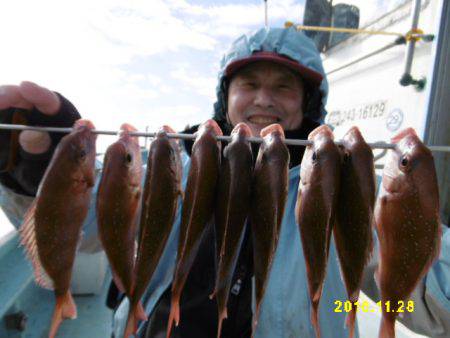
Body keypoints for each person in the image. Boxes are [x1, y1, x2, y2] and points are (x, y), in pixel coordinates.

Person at [0, 26, 449, 338]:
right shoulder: (177, 164)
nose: (263, 99)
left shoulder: (352, 188)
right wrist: (39, 174)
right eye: (248, 83)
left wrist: (412, 246)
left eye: (284, 87)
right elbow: (89, 222)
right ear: (225, 96)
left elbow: (433, 295)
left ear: (308, 104)